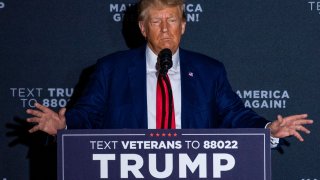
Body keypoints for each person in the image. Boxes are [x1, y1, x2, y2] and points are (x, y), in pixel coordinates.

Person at [26, 0, 313, 144]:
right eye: (155, 21)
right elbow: (88, 114)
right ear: (142, 28)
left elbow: (235, 115)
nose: (165, 29)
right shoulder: (111, 69)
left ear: (184, 26)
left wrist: (268, 130)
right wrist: (65, 127)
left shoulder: (209, 71)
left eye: (172, 20)